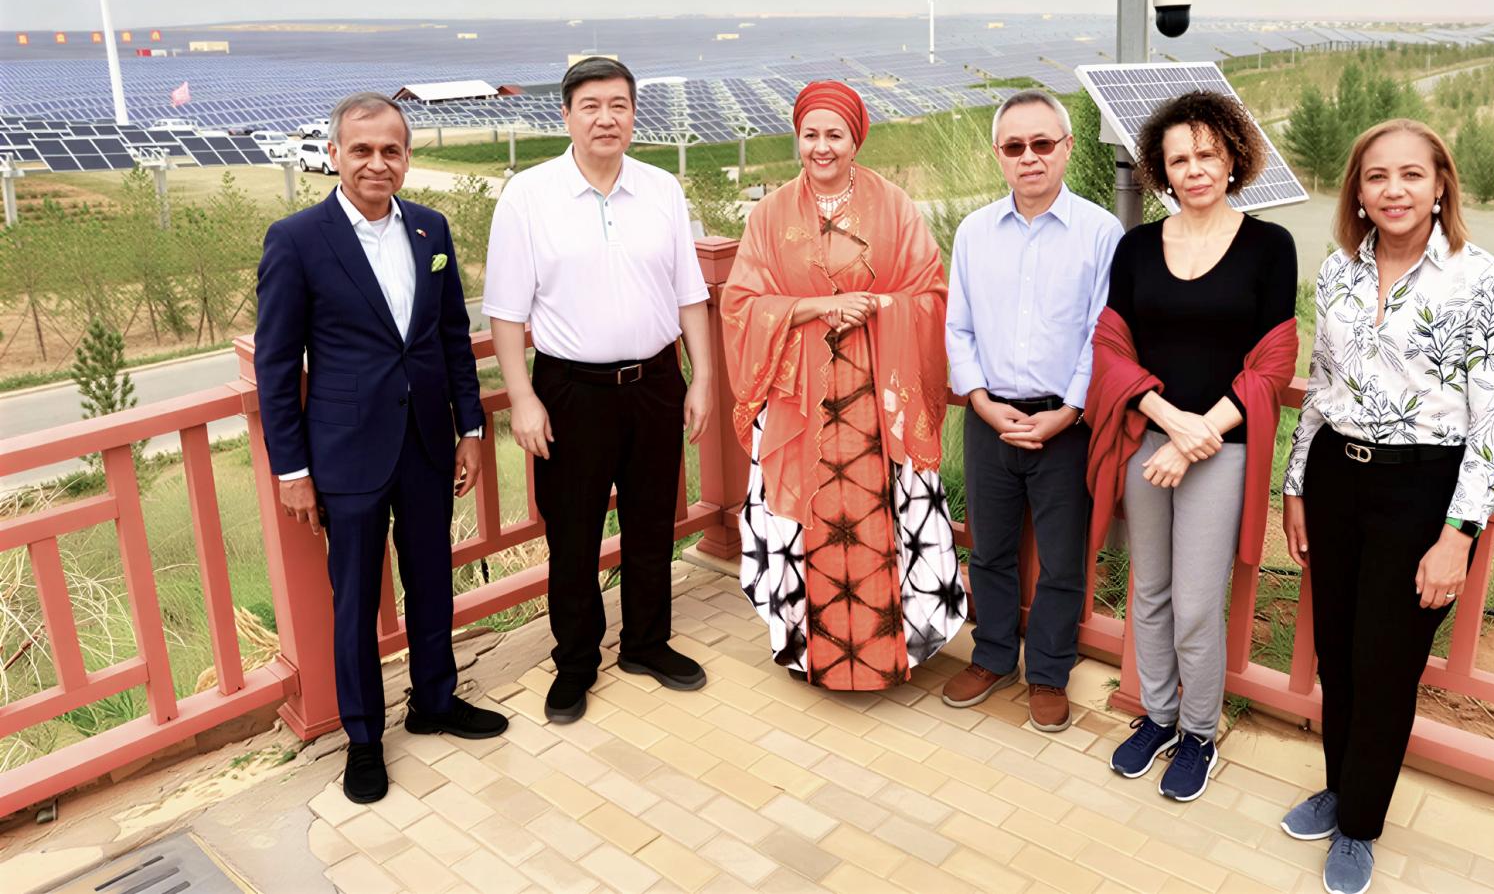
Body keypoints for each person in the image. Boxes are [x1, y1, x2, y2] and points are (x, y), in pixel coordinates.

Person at [1279, 119, 1494, 894]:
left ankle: (1360, 825)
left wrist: (1460, 532)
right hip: (1336, 479)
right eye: (1376, 176)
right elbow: (1321, 386)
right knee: (1339, 652)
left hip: (1422, 490)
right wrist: (1295, 486)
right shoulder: (1338, 273)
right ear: (1358, 190)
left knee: (1388, 664)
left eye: (1411, 174)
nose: (1394, 190)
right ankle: (1341, 785)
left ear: (1442, 182)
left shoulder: (1483, 279)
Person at [255, 92, 507, 804]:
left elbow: (452, 338)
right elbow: (277, 363)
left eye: (390, 150)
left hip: (428, 442)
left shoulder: (430, 229)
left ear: (406, 157)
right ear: (334, 154)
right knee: (355, 600)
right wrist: (294, 469)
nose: (376, 162)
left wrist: (472, 427)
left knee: (432, 581)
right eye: (360, 149)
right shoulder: (297, 239)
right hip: (347, 455)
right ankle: (363, 739)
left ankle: (435, 700)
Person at [482, 57, 715, 725]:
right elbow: (504, 310)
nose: (606, 117)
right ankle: (576, 662)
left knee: (651, 523)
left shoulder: (663, 190)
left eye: (618, 105)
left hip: (655, 381)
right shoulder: (529, 196)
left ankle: (647, 643)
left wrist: (701, 379)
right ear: (567, 116)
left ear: (634, 114)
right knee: (575, 533)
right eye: (591, 106)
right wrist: (522, 397)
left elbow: (690, 294)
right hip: (570, 391)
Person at [1087, 91, 1298, 801]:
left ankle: (1200, 734)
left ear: (1234, 156)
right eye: (1180, 158)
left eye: (1208, 153)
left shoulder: (1270, 247)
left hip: (1222, 448)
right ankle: (1158, 715)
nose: (1195, 168)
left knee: (1200, 602)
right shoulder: (1138, 246)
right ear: (1160, 170)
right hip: (1149, 440)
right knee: (1150, 590)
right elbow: (1111, 350)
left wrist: (1198, 432)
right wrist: (1168, 422)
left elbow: (1274, 360)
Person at [721, 80, 963, 691]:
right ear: (796, 138)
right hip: (801, 399)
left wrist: (878, 303)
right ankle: (810, 652)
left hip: (879, 393)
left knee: (883, 514)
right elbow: (743, 304)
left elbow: (930, 294)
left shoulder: (896, 206)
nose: (822, 148)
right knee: (805, 521)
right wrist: (812, 308)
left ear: (857, 139)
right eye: (811, 135)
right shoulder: (770, 214)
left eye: (836, 135)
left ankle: (889, 653)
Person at [940, 90, 1123, 732]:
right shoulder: (973, 233)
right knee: (989, 550)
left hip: (1065, 426)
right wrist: (982, 403)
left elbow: (1105, 334)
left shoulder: (1102, 233)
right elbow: (956, 327)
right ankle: (991, 656)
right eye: (1015, 146)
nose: (1030, 157)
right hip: (989, 419)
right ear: (1000, 155)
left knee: (1061, 558)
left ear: (1066, 147)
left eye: (1043, 143)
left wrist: (1069, 411)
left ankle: (1047, 672)